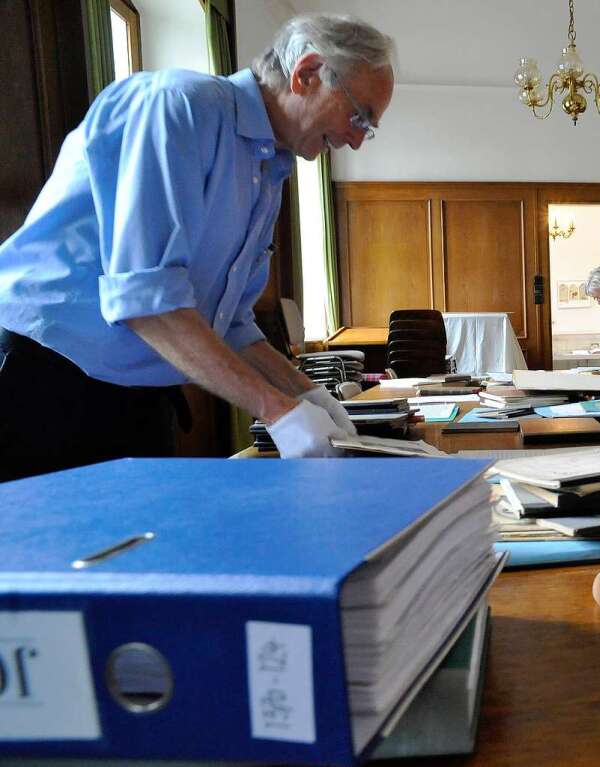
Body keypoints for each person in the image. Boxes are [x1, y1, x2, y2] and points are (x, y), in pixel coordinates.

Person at [0, 14, 396, 480]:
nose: (355, 140)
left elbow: (230, 325)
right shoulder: (180, 107)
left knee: (152, 549)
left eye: (367, 128)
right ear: (306, 73)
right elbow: (146, 303)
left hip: (142, 392)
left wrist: (307, 393)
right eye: (359, 116)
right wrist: (277, 409)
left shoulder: (269, 165)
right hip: (46, 377)